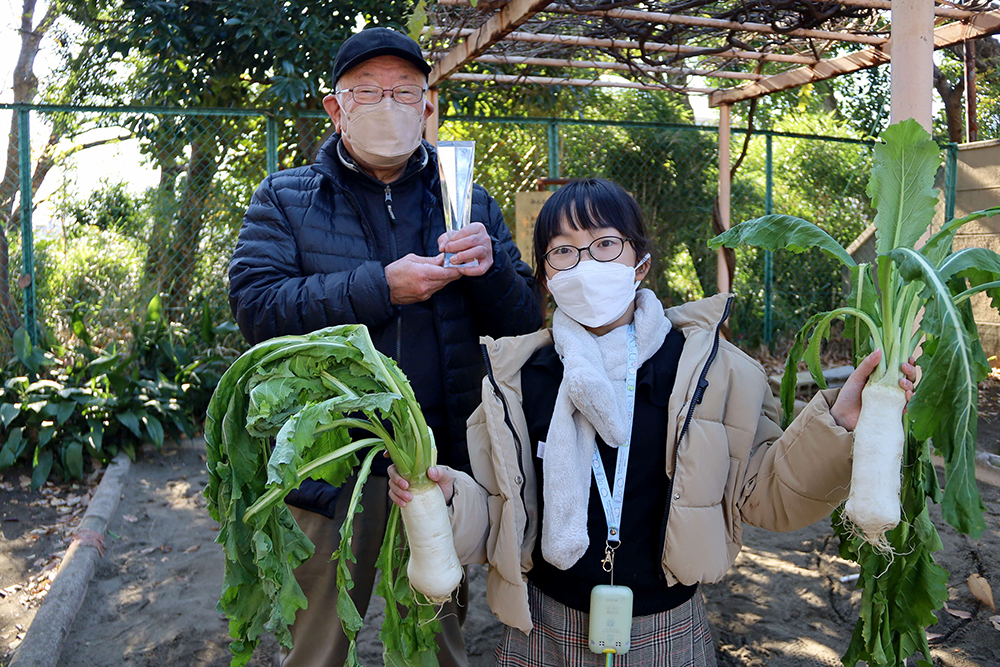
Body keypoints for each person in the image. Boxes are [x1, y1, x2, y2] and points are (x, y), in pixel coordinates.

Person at [388, 178, 917, 666]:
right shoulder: (519, 378)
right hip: (544, 629)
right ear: (546, 275)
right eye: (563, 251)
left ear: (640, 262)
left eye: (604, 244)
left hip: (668, 629)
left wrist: (840, 421)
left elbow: (767, 495)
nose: (584, 263)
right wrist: (448, 500)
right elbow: (500, 519)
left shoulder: (711, 370)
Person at [228, 27, 542, 667]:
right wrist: (381, 287)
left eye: (404, 92)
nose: (388, 106)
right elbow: (257, 308)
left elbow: (521, 323)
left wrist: (495, 271)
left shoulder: (465, 198)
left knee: (434, 637)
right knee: (314, 643)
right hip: (327, 464)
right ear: (335, 108)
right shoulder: (286, 199)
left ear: (428, 106)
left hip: (432, 466)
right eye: (367, 92)